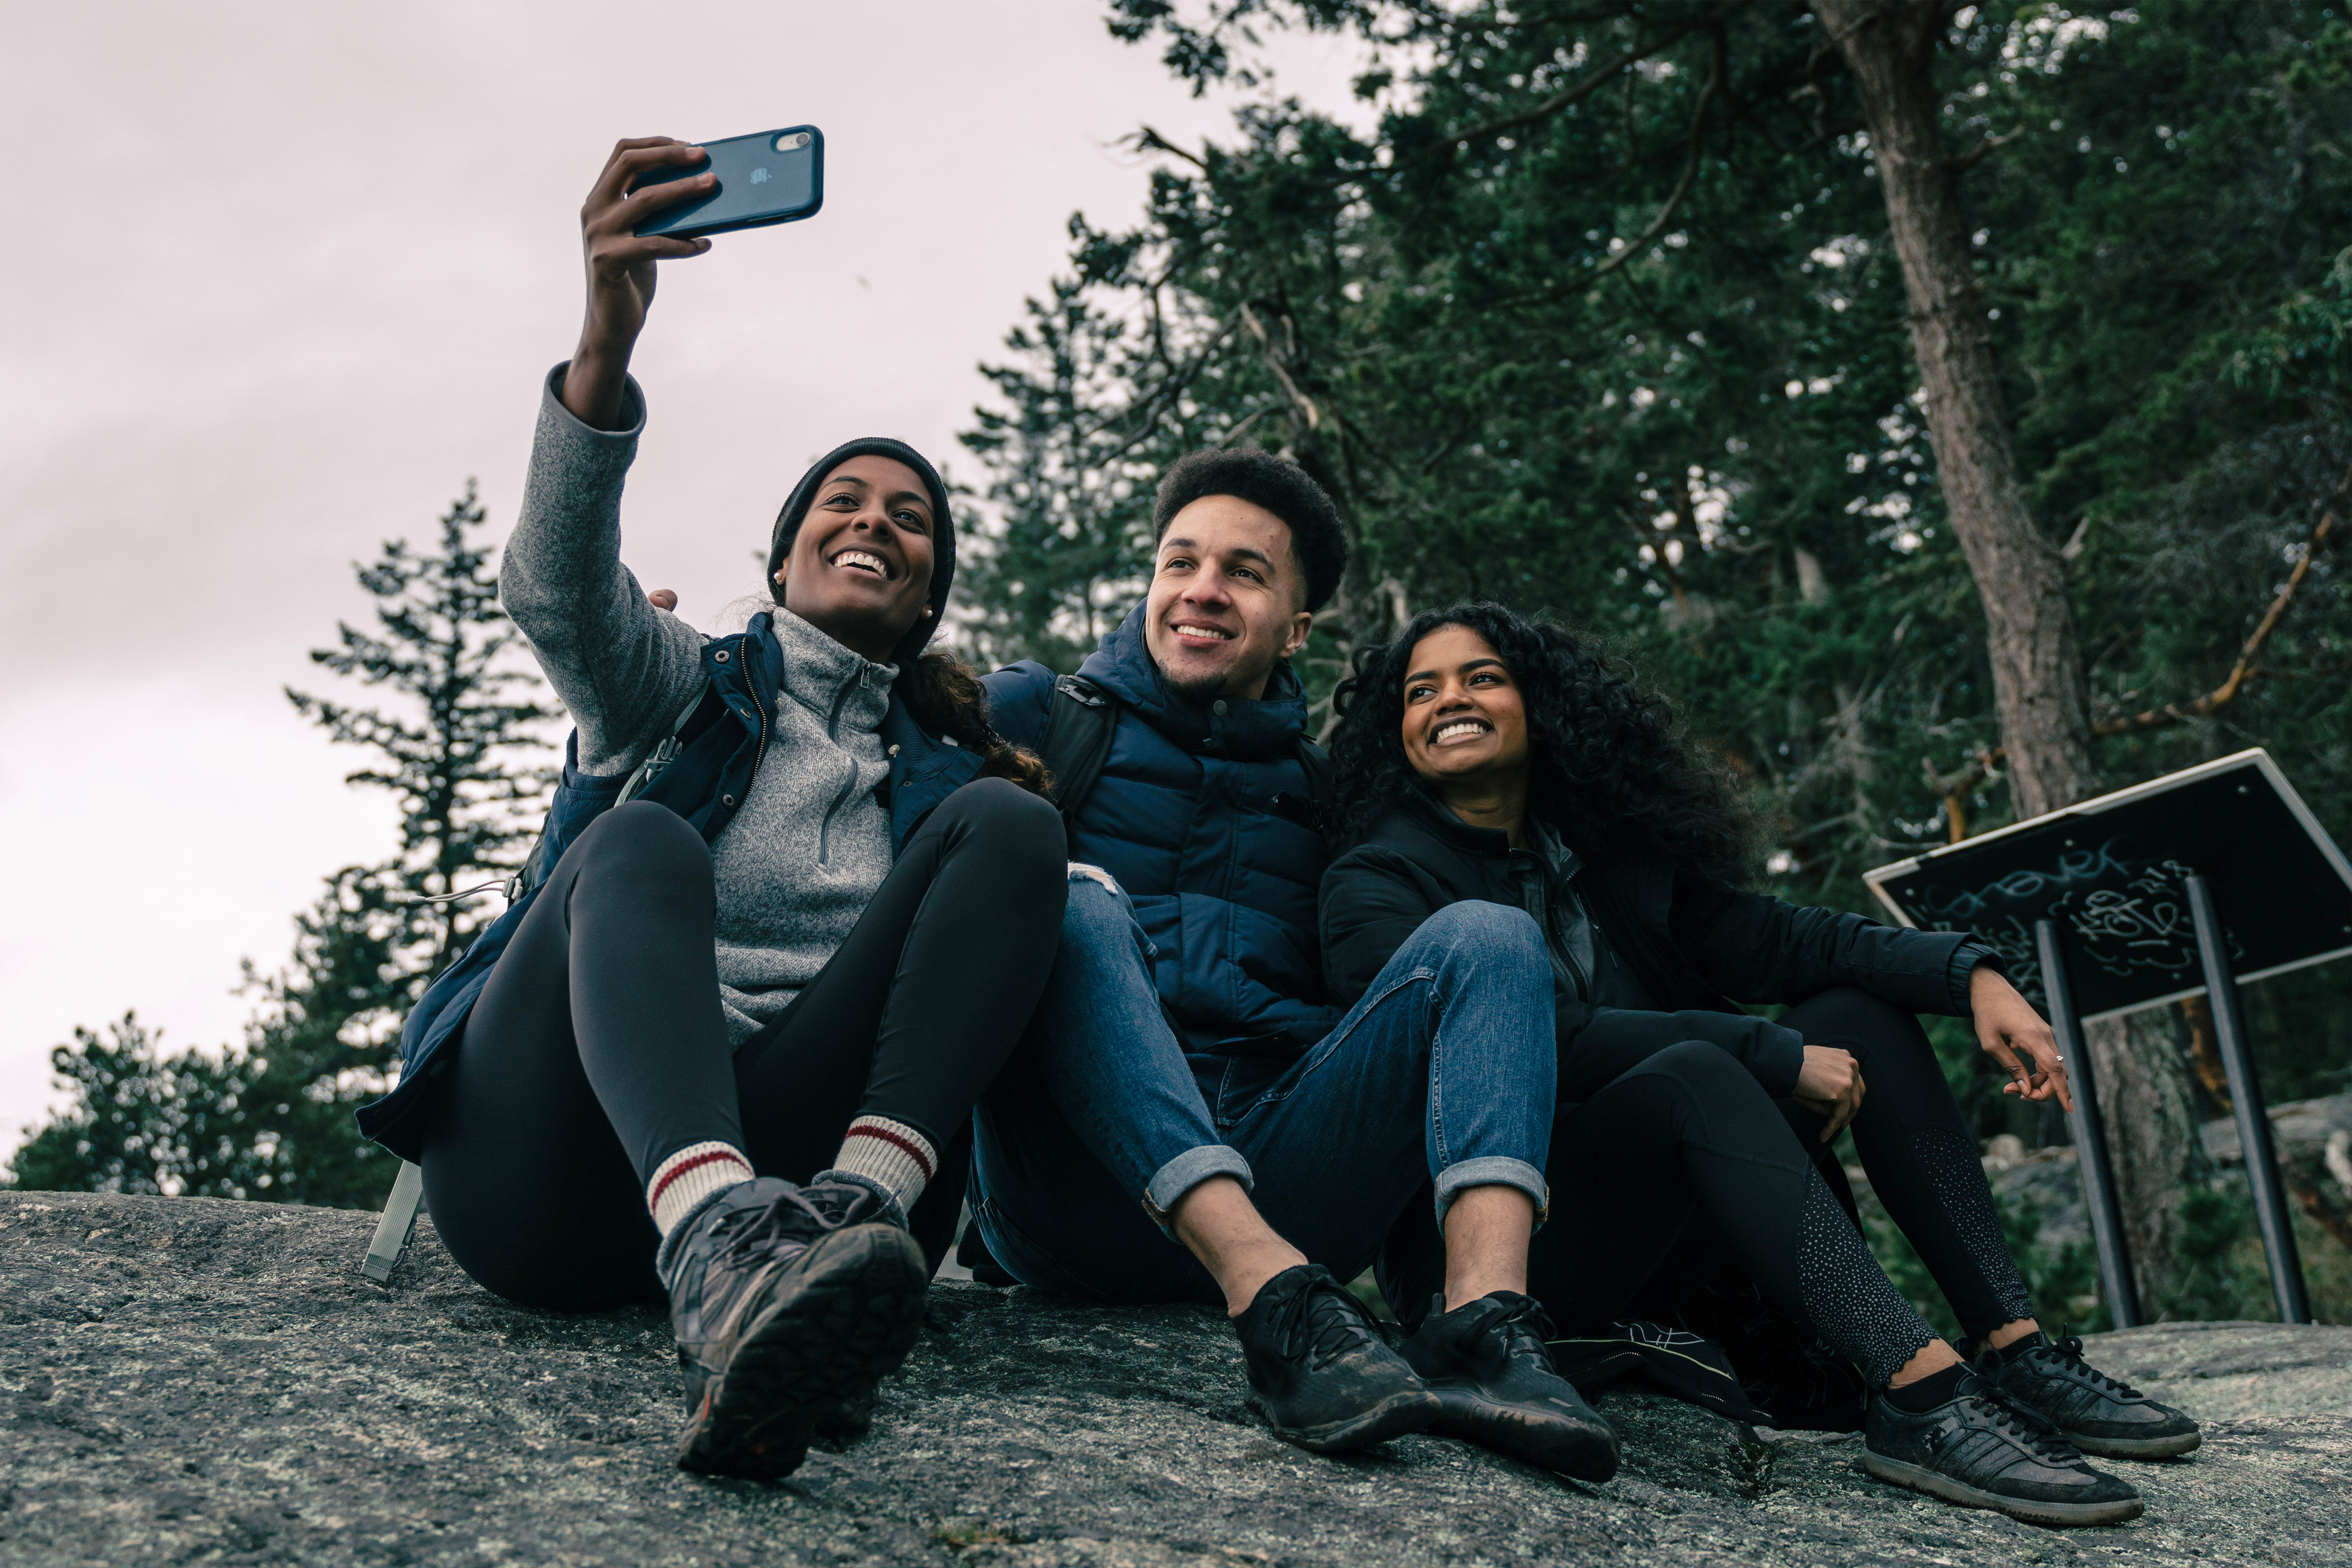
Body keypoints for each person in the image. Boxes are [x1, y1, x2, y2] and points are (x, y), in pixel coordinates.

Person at [356, 138, 1069, 1481]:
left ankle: (834, 1244)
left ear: (928, 598)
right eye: (842, 503)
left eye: (910, 519)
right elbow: (558, 590)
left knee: (1020, 830)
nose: (875, 522)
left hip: (813, 1182)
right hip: (557, 1175)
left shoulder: (949, 774)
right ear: (786, 557)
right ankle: (716, 1245)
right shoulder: (687, 683)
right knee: (641, 835)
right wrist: (605, 339)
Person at [1317, 601, 2202, 1528]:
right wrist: (1771, 1054)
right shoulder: (1376, 885)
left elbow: (1783, 940)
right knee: (1699, 1068)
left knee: (1857, 1013)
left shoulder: (1603, 857)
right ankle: (1922, 1397)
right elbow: (1534, 1039)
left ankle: (2014, 1346)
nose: (1450, 700)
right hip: (1499, 1254)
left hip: (1661, 1213)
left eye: (1482, 677)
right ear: (1398, 731)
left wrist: (1967, 970)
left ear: (1539, 704)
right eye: (1423, 691)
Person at [964, 455, 1619, 1480]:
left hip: (1285, 1169)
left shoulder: (1334, 800)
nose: (1203, 589)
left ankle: (1482, 1330)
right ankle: (1269, 1298)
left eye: (1244, 571)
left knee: (1487, 934)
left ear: (1297, 627)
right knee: (1074, 895)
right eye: (1180, 561)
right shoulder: (1038, 718)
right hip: (1069, 1186)